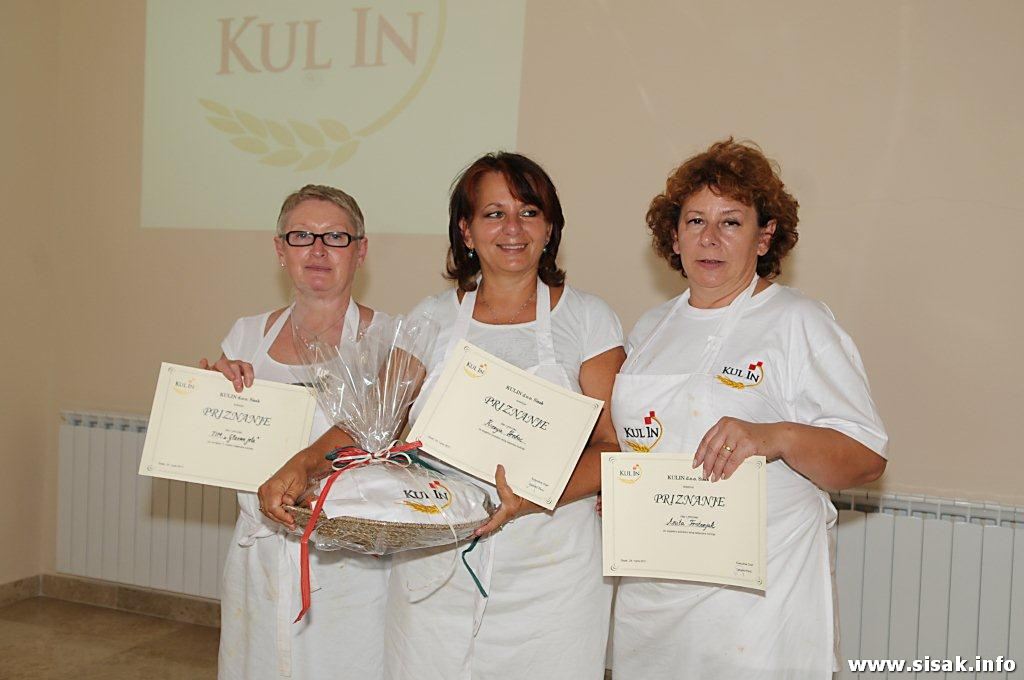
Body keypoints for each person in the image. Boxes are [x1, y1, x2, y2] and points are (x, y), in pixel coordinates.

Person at [610, 139, 887, 679]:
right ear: (674, 236)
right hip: (653, 604)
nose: (709, 238)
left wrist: (776, 436)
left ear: (764, 237)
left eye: (731, 222)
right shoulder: (651, 328)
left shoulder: (798, 323)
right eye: (695, 221)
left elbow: (866, 460)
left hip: (757, 612)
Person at [202, 185, 386, 680]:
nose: (318, 250)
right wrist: (207, 398)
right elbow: (218, 443)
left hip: (353, 568)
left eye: (336, 237)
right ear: (280, 249)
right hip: (259, 558)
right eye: (302, 236)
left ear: (361, 250)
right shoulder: (245, 336)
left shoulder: (392, 341)